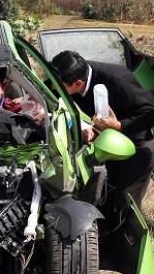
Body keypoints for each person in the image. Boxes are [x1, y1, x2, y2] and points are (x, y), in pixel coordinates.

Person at [51, 50, 154, 208]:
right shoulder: (69, 74)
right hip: (106, 142)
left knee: (122, 202)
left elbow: (149, 114)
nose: (52, 86)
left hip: (136, 146)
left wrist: (118, 126)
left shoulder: (118, 81)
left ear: (78, 84)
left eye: (57, 85)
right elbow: (50, 90)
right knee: (102, 195)